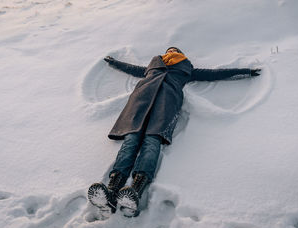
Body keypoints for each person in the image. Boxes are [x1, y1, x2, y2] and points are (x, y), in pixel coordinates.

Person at [88, 47, 261, 217]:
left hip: (166, 105)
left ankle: (135, 190)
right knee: (131, 140)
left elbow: (214, 74)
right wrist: (113, 63)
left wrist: (247, 72)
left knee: (151, 141)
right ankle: (112, 190)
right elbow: (132, 69)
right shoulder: (154, 65)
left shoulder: (187, 69)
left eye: (175, 51)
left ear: (181, 54)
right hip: (140, 104)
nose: (171, 52)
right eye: (169, 51)